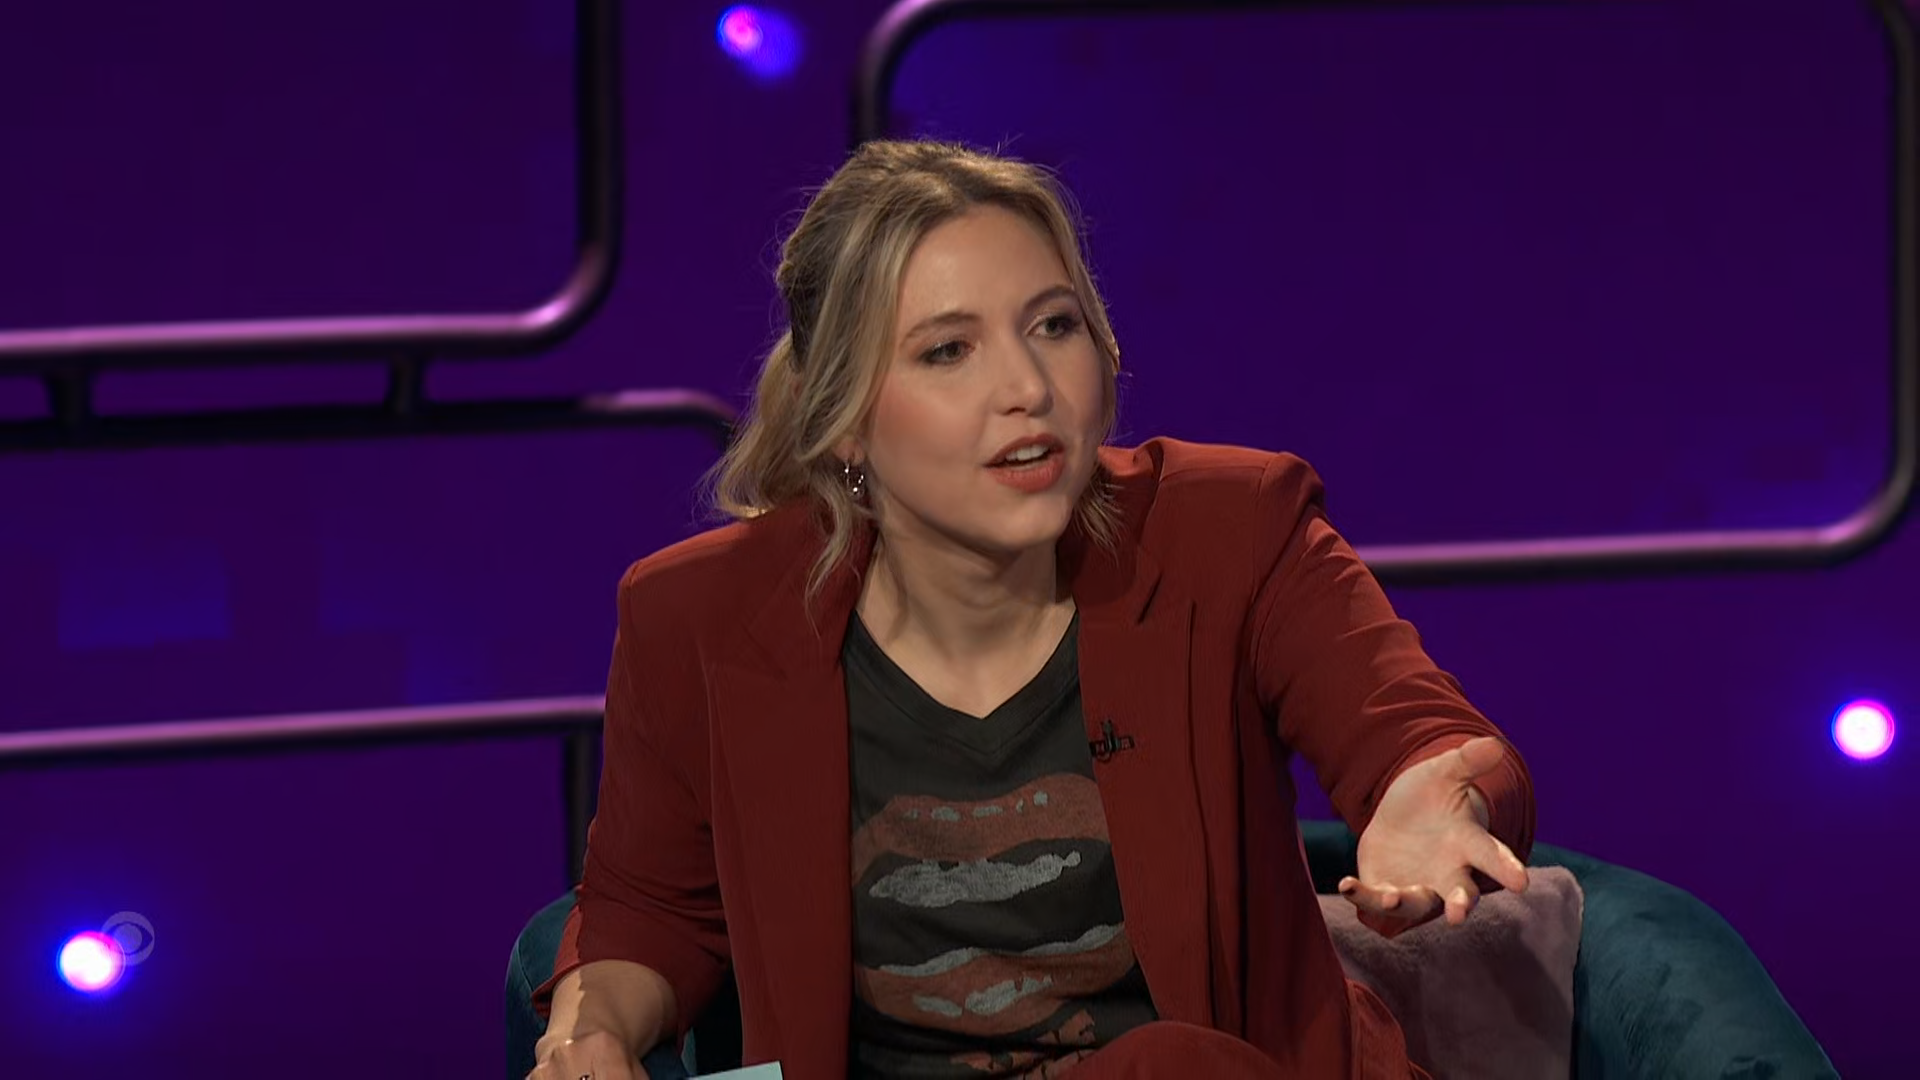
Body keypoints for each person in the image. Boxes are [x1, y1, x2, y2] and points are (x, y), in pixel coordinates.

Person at [526, 139, 1535, 1080]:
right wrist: (592, 1029)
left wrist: (1441, 794)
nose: (1027, 387)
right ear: (843, 420)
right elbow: (647, 910)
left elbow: (1415, 733)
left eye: (1054, 326)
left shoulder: (1231, 534)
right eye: (947, 351)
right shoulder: (700, 617)